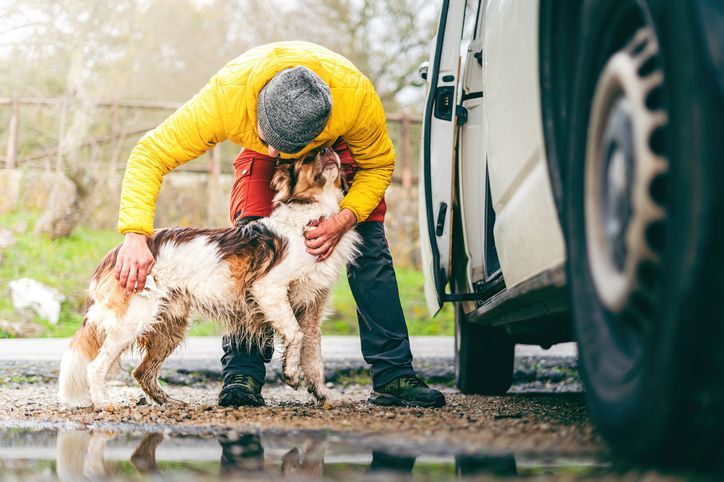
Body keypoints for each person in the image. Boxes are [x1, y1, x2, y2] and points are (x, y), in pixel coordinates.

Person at [113, 41, 445, 409]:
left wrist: (344, 218)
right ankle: (243, 372)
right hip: (254, 144)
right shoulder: (227, 97)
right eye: (272, 138)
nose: (277, 153)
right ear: (257, 113)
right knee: (249, 247)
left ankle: (394, 375)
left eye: (283, 146)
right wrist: (135, 232)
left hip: (333, 153)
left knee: (371, 251)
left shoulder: (355, 99)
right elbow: (150, 153)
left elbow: (380, 165)